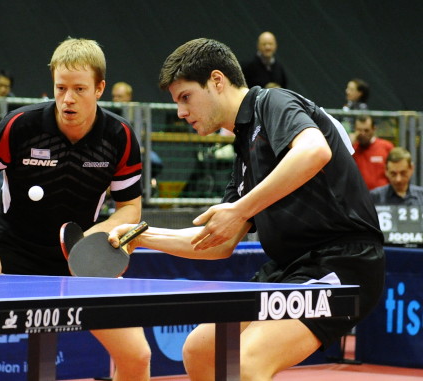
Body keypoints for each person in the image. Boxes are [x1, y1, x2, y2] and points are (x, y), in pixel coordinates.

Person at [109, 38, 385, 381]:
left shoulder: (272, 102)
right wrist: (144, 237)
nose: (180, 112)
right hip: (288, 270)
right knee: (199, 351)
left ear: (217, 81)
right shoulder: (244, 153)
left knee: (247, 365)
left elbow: (314, 151)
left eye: (185, 97)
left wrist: (239, 209)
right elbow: (219, 241)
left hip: (344, 264)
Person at [0, 38, 151, 381]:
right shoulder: (21, 125)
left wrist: (90, 240)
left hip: (80, 258)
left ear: (100, 88)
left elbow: (130, 210)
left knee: (137, 355)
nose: (68, 98)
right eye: (60, 87)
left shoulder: (119, 136)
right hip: (12, 249)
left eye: (80, 88)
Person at [352, 115, 394, 190]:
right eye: (359, 130)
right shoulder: (351, 149)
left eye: (366, 130)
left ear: (374, 129)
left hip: (382, 197)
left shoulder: (386, 147)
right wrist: (349, 143)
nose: (363, 134)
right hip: (358, 196)